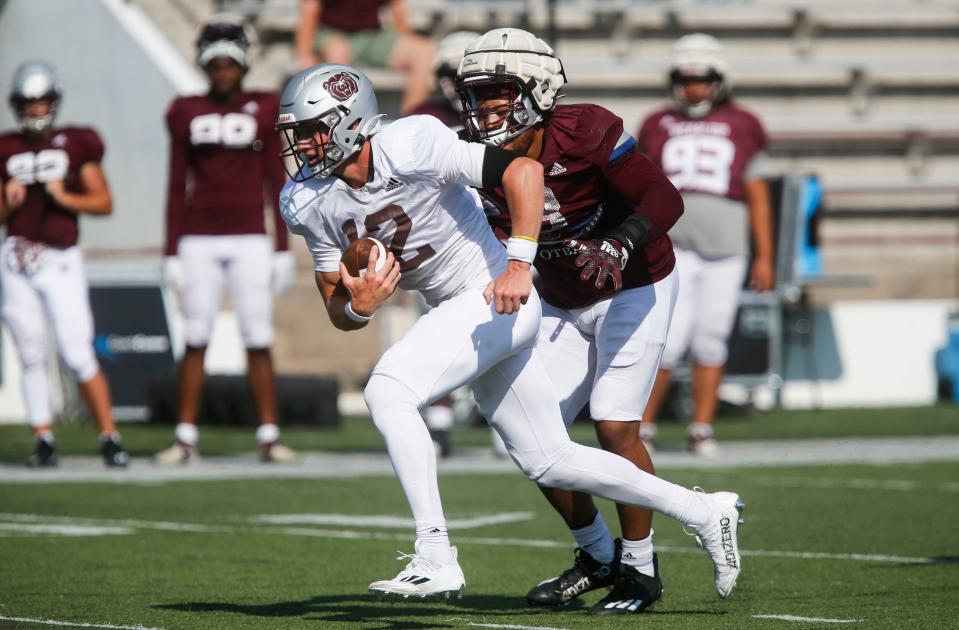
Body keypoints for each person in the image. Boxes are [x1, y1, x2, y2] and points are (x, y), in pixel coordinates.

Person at [277, 62, 744, 602]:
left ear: (351, 121)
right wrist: (358, 308)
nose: (304, 146)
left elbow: (524, 173)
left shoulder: (411, 141)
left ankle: (435, 553)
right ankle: (705, 511)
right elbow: (337, 302)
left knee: (388, 390)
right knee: (548, 458)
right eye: (297, 134)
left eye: (314, 130)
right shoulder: (304, 200)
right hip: (458, 312)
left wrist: (519, 263)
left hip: (492, 296)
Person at [458, 28, 687, 615]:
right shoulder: (469, 153)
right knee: (533, 436)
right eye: (478, 96)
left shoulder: (584, 130)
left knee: (614, 426)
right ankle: (596, 554)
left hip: (634, 283)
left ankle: (639, 569)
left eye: (499, 94)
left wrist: (618, 242)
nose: (485, 109)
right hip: (560, 297)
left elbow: (664, 199)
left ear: (537, 90)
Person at [155, 15, 297, 465]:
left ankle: (269, 435)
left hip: (251, 238)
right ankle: (184, 436)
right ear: (203, 64)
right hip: (198, 238)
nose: (222, 71)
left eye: (228, 63)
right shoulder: (184, 110)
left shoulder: (265, 105)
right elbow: (176, 185)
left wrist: (281, 247)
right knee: (195, 336)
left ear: (242, 64)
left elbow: (278, 180)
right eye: (214, 63)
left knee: (258, 335)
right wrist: (170, 249)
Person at [637, 33, 776, 456]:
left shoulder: (743, 123)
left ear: (719, 80)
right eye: (685, 78)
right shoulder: (656, 123)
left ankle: (701, 427)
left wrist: (765, 255)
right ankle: (640, 427)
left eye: (702, 79)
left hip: (726, 247)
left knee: (712, 338)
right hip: (673, 244)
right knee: (669, 339)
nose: (694, 87)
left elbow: (756, 192)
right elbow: (639, 184)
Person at [0, 61, 129, 468]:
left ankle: (109, 435)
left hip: (60, 257)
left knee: (76, 351)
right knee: (30, 351)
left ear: (53, 102)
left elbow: (104, 202)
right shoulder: (6, 148)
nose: (36, 109)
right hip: (17, 257)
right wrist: (8, 202)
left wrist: (66, 198)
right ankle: (44, 438)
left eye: (41, 101)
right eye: (28, 102)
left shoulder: (76, 142)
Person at [405, 29, 479, 457]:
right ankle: (439, 425)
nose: (454, 80)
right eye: (447, 72)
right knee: (437, 330)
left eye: (462, 71)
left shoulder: (500, 112)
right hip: (442, 238)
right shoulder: (422, 117)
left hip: (501, 230)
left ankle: (510, 426)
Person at [294, 0, 434, 114]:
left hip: (372, 35)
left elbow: (397, 8)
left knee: (423, 51)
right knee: (338, 53)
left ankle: (413, 125)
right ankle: (335, 126)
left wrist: (405, 38)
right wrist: (304, 54)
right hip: (332, 33)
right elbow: (310, 10)